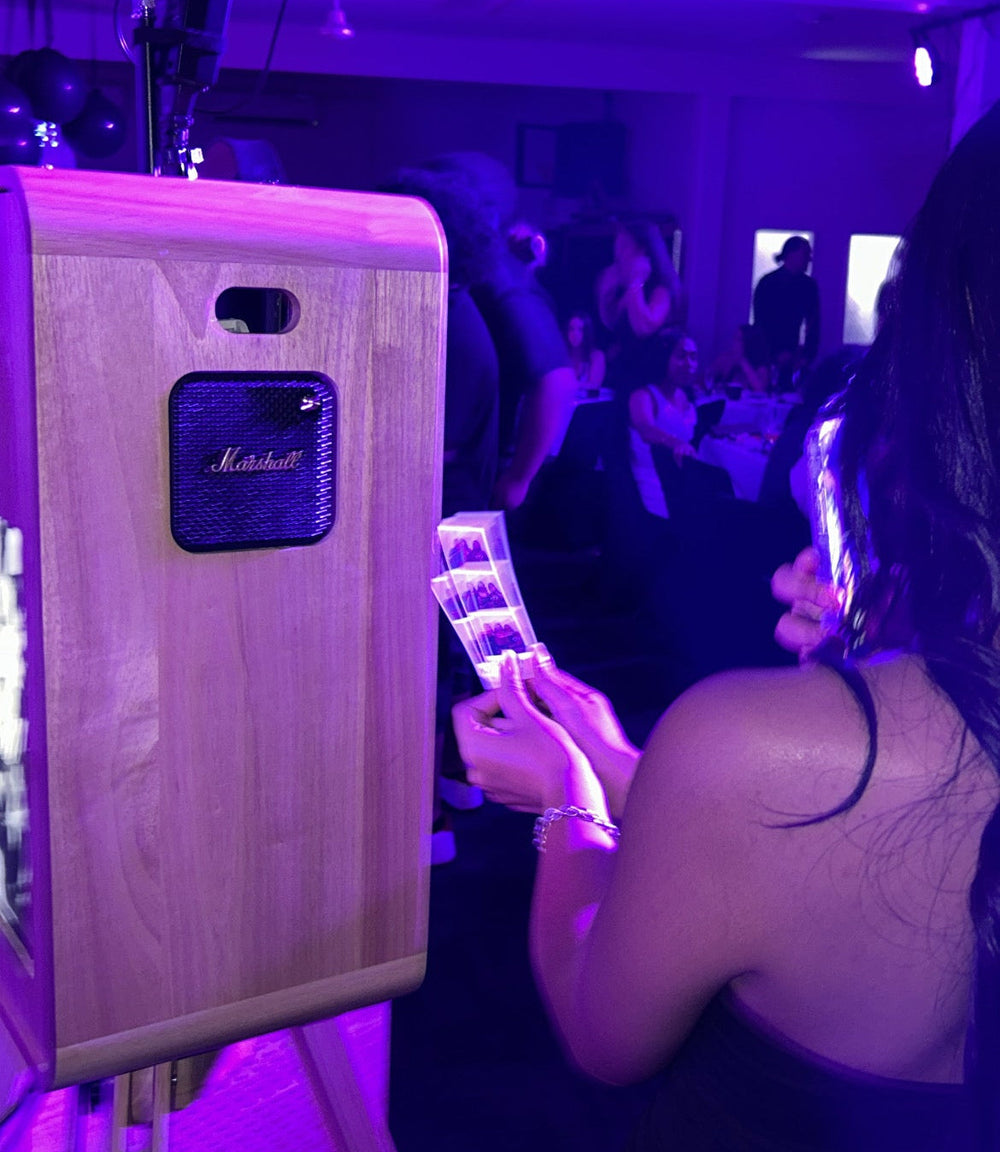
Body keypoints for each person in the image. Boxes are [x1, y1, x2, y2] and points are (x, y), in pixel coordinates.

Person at [451, 102, 1000, 1150]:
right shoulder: (788, 751)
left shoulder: (750, 750)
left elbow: (601, 1029)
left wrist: (566, 802)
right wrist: (626, 764)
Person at [427, 153, 578, 513]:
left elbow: (557, 381)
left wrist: (518, 479)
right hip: (458, 471)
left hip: (470, 478)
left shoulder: (499, 277)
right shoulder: (478, 269)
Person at [597, 220, 684, 399]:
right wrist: (606, 295)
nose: (618, 254)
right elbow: (611, 323)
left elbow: (644, 327)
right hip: (625, 377)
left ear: (643, 250)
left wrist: (636, 281)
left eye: (624, 247)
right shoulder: (627, 287)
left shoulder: (660, 288)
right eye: (617, 246)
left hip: (651, 384)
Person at [627, 331, 698, 520]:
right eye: (682, 356)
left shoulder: (684, 395)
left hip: (678, 479)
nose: (690, 364)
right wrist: (675, 443)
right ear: (664, 358)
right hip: (650, 480)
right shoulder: (643, 395)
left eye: (693, 357)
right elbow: (646, 429)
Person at [752, 235, 820, 392]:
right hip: (774, 355)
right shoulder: (807, 286)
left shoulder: (768, 282)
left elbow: (813, 325)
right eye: (805, 254)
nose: (809, 259)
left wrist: (805, 356)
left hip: (787, 355)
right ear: (791, 254)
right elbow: (760, 323)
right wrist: (805, 356)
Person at [708, 323, 772, 394]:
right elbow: (707, 377)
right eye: (734, 338)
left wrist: (742, 361)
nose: (734, 343)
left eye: (738, 340)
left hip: (751, 404)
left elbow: (760, 389)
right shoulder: (725, 359)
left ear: (749, 343)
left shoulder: (760, 366)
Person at [565, 313, 606, 395]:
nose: (575, 334)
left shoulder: (597, 356)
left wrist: (568, 385)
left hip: (589, 404)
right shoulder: (564, 355)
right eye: (571, 329)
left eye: (580, 329)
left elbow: (594, 385)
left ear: (587, 332)